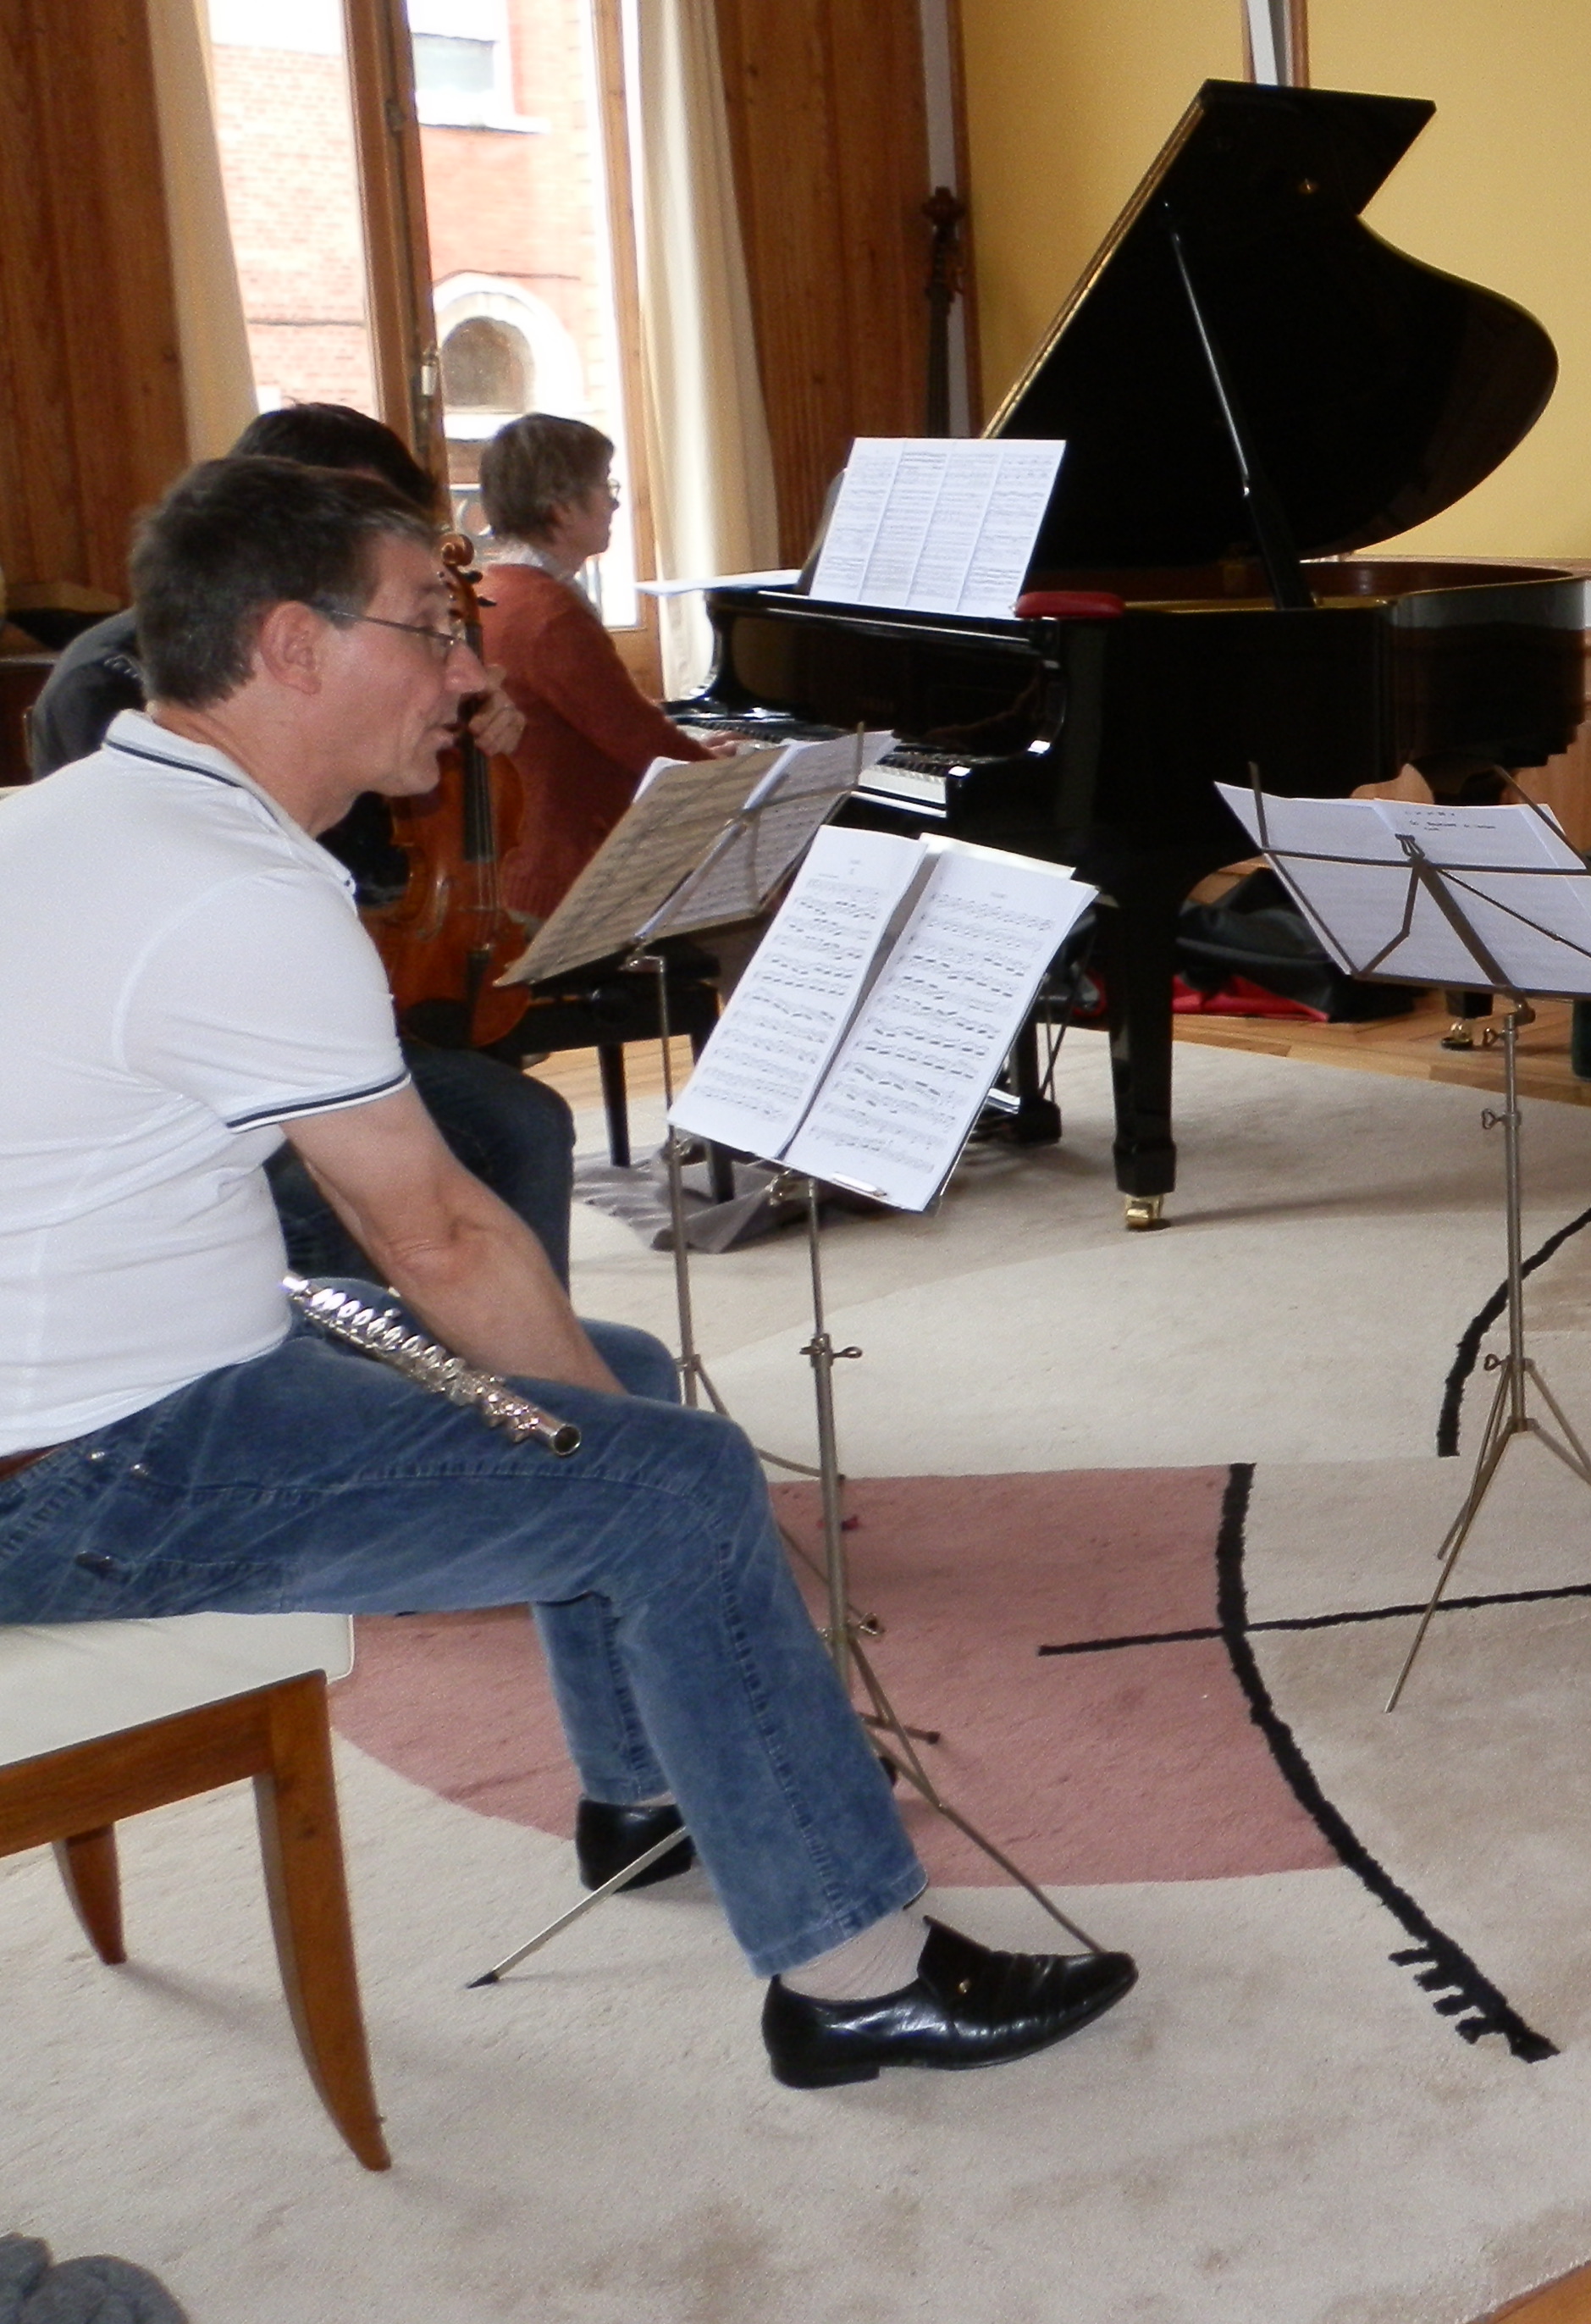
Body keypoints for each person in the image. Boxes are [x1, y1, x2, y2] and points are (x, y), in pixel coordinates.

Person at [0, 456, 1137, 2086]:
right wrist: (618, 1461)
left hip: (122, 1385)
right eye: (426, 626)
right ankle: (854, 1972)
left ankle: (643, 1789)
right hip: (84, 1474)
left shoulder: (83, 809)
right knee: (674, 1480)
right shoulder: (234, 890)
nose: (467, 671)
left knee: (637, 1383)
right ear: (292, 646)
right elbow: (438, 1238)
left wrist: (596, 1417)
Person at [24, 404, 582, 1288]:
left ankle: (494, 1343)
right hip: (204, 1047)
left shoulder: (340, 682)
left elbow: (365, 836)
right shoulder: (117, 680)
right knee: (368, 1198)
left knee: (521, 1120)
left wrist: (453, 728)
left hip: (338, 970)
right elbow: (193, 910)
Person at [470, 412, 735, 925]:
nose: (614, 504)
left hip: (525, 862)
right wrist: (732, 773)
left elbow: (598, 717)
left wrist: (694, 749)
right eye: (605, 486)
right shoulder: (548, 612)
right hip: (572, 879)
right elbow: (641, 742)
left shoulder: (495, 588)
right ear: (562, 507)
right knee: (757, 903)